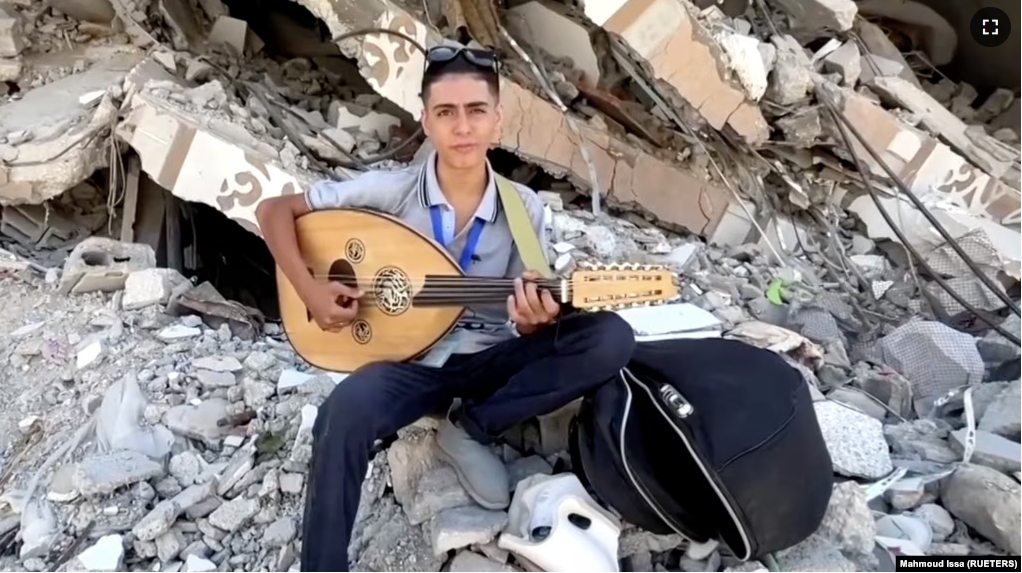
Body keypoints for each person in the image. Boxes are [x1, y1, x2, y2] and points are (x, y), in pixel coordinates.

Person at [255, 43, 635, 572]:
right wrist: (312, 291)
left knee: (611, 337)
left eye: (477, 111)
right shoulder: (388, 192)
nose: (463, 127)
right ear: (426, 121)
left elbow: (533, 305)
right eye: (446, 113)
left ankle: (471, 427)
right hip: (406, 367)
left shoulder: (522, 211)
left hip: (487, 364)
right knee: (341, 416)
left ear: (498, 120)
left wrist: (534, 322)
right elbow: (273, 211)